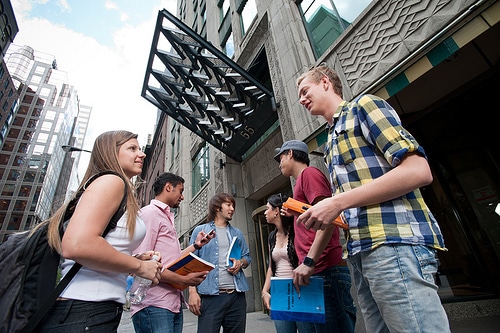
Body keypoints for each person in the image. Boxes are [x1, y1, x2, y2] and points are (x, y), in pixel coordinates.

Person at [296, 65, 450, 332]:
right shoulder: (329, 142)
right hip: (359, 256)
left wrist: (337, 202)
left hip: (394, 244)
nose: (301, 99)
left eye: (304, 90)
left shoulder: (363, 107)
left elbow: (418, 170)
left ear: (324, 83)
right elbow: (344, 206)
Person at [39, 130, 163, 332]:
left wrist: (135, 259)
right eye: (132, 148)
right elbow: (78, 245)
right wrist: (139, 266)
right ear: (110, 153)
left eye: (140, 148)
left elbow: (97, 246)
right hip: (85, 309)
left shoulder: (114, 187)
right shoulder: (112, 181)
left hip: (92, 310)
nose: (142, 154)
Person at [273, 140, 356, 333]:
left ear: (291, 153)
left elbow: (329, 218)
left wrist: (309, 261)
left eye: (281, 157)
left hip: (326, 271)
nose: (279, 163)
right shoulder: (300, 184)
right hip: (317, 273)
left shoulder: (309, 174)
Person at [131, 172, 215, 333]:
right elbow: (142, 265)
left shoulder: (166, 217)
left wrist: (197, 246)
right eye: (181, 191)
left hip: (171, 304)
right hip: (153, 305)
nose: (182, 197)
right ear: (168, 187)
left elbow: (173, 260)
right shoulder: (149, 213)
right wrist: (184, 280)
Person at [188, 193, 252, 333]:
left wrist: (240, 263)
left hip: (237, 296)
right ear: (217, 207)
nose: (232, 208)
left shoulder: (237, 233)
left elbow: (247, 257)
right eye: (228, 205)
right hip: (211, 297)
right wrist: (192, 292)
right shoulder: (201, 231)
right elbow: (190, 262)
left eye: (233, 205)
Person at [261, 193, 300, 333]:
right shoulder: (271, 237)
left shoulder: (296, 231)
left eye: (268, 209)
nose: (265, 212)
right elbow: (271, 267)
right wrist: (265, 290)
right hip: (280, 293)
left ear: (276, 211)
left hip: (300, 290)